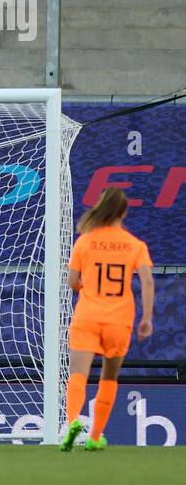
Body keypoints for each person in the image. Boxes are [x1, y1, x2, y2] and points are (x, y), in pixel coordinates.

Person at [61, 188, 154, 452]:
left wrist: (85, 287)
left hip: (87, 316)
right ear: (123, 212)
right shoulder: (135, 245)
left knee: (77, 375)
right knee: (109, 377)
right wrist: (147, 318)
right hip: (119, 320)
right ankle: (95, 437)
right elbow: (147, 281)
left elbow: (71, 282)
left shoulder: (85, 241)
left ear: (101, 207)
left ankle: (72, 423)